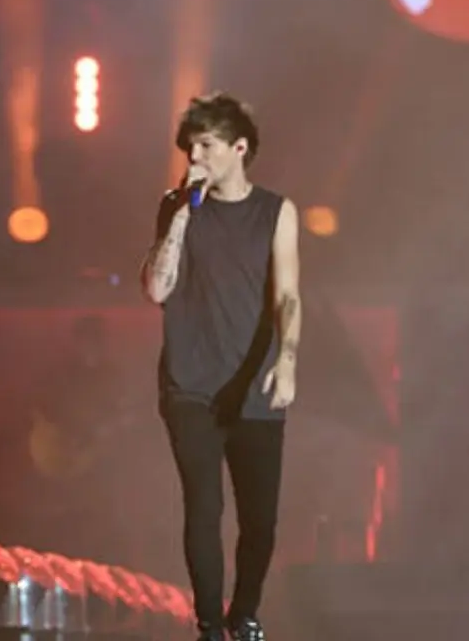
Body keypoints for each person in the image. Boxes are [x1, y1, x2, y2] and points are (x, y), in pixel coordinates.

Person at [140, 92, 301, 641]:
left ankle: (244, 613)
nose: (195, 157)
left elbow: (288, 296)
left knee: (260, 520)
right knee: (204, 508)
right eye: (190, 147)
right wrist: (182, 217)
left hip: (254, 384)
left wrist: (288, 359)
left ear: (239, 148)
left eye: (206, 145)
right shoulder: (176, 206)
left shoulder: (276, 212)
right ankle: (209, 625)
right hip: (190, 385)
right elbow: (156, 288)